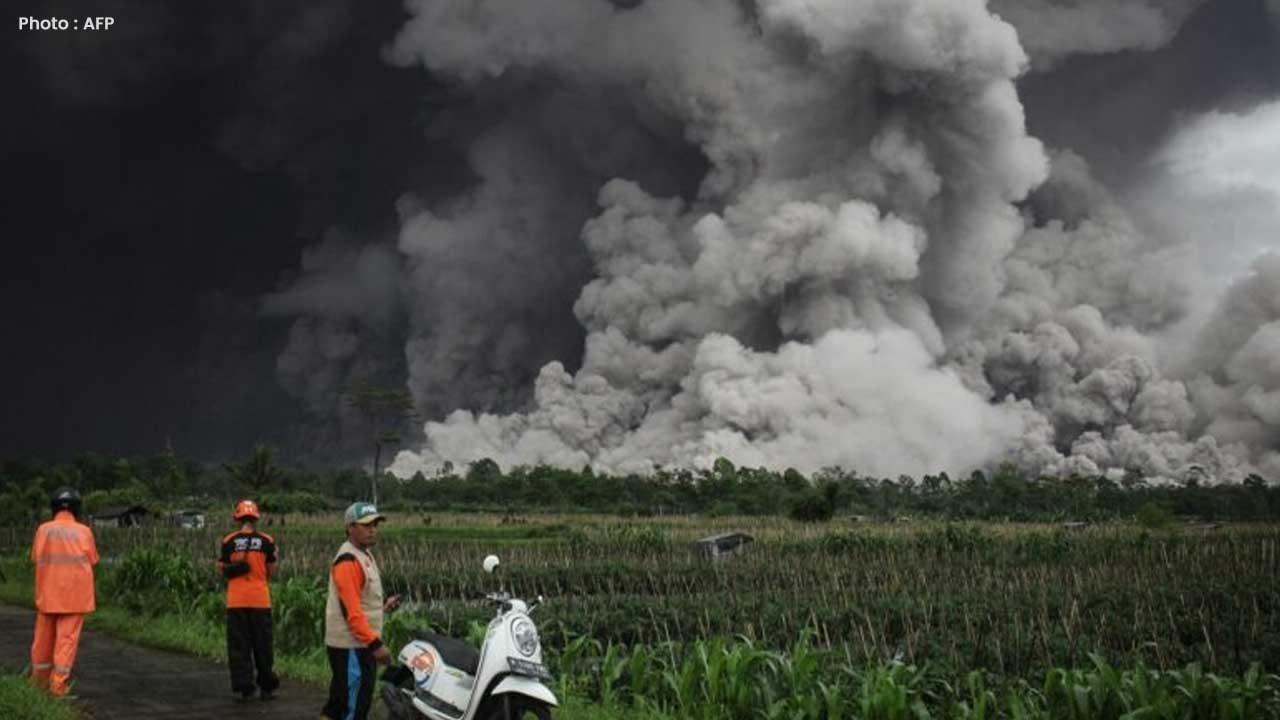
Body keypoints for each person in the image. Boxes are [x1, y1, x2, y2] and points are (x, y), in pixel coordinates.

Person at [321, 502, 401, 720]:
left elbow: (360, 600)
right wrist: (376, 645)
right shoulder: (348, 561)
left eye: (375, 524)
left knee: (338, 703)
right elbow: (352, 612)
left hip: (357, 645)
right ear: (350, 527)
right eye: (366, 525)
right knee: (353, 707)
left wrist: (383, 606)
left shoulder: (363, 554)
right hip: (352, 647)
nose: (372, 529)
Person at [30, 487, 98, 697]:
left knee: (42, 641)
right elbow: (94, 559)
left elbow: (35, 557)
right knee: (65, 642)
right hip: (74, 598)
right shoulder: (84, 531)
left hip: (48, 596)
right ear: (77, 509)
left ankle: (38, 685)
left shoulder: (43, 530)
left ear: (54, 508)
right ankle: (58, 688)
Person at [217, 499, 280, 702]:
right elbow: (272, 571)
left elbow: (221, 569)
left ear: (238, 518)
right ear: (256, 518)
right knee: (263, 645)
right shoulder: (267, 540)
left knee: (239, 646)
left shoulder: (228, 541)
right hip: (260, 600)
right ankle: (267, 688)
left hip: (236, 601)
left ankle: (245, 688)